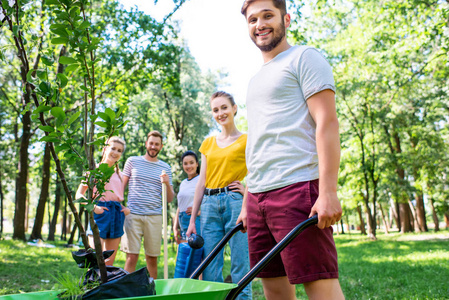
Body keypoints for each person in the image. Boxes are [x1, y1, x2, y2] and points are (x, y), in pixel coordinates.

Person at [239, 1, 345, 299]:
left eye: (267, 16)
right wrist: (249, 198)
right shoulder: (255, 79)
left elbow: (326, 122)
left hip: (297, 188)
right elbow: (261, 140)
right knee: (274, 289)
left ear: (285, 18)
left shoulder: (304, 57)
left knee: (319, 285)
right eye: (253, 19)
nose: (260, 24)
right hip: (259, 196)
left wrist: (328, 191)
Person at [187, 91, 252, 300]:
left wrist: (246, 194)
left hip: (234, 202)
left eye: (224, 107)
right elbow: (201, 182)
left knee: (240, 261)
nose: (220, 113)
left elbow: (256, 173)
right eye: (215, 110)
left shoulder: (246, 140)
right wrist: (192, 220)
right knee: (211, 263)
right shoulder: (208, 143)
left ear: (234, 108)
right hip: (208, 204)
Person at [120, 130, 174, 278]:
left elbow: (169, 198)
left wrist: (167, 183)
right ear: (146, 144)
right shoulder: (132, 161)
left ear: (161, 147)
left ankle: (152, 292)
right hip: (133, 215)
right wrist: (121, 206)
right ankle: (125, 292)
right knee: (132, 257)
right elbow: (121, 187)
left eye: (157, 144)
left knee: (152, 258)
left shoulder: (165, 168)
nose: (153, 147)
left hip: (154, 217)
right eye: (151, 143)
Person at [75, 136, 130, 266]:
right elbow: (79, 195)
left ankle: (105, 286)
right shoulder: (94, 171)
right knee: (94, 260)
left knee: (109, 263)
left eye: (119, 150)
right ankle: (90, 286)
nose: (115, 153)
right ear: (105, 149)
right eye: (113, 148)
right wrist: (94, 208)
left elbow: (116, 197)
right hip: (99, 213)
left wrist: (125, 209)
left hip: (117, 214)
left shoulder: (120, 176)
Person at [173, 150, 201, 244]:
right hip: (182, 221)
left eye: (191, 163)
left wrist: (199, 212)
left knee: (195, 253)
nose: (188, 166)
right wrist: (175, 226)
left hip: (195, 221)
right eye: (185, 163)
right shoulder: (183, 183)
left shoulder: (201, 180)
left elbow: (209, 201)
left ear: (197, 164)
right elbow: (180, 205)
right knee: (184, 253)